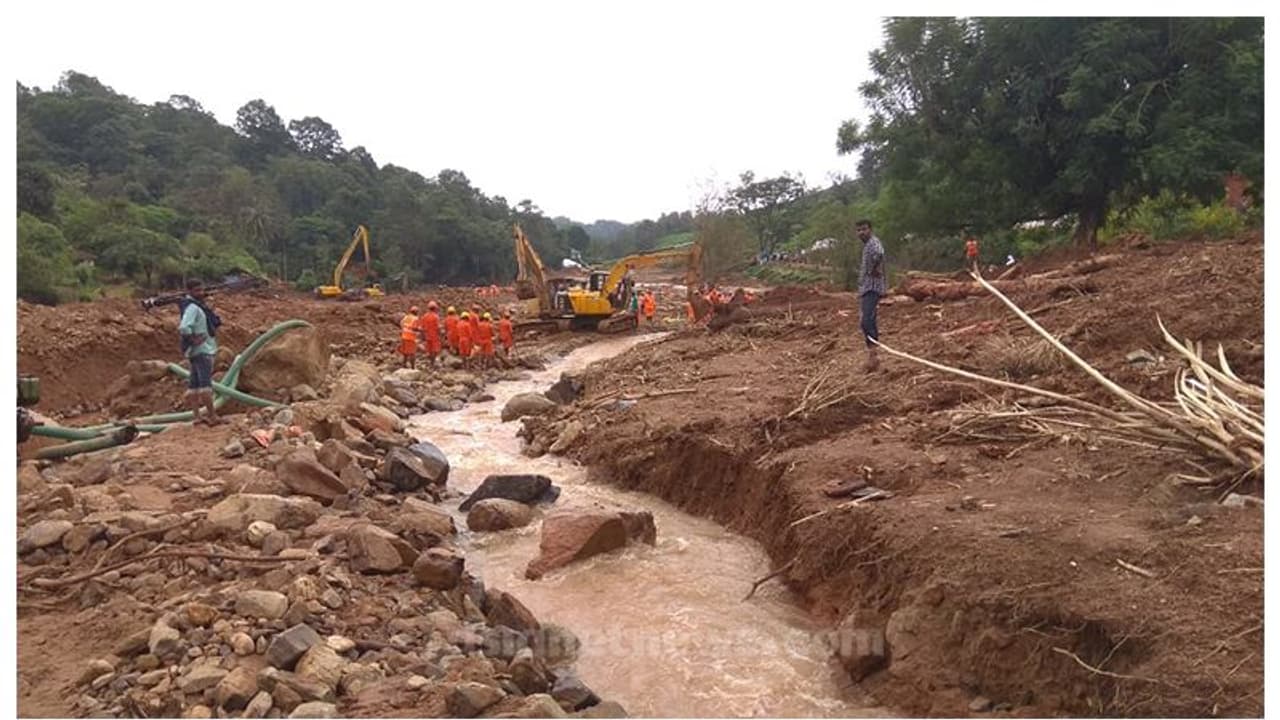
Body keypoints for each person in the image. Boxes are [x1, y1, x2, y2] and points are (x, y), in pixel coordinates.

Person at [178, 279, 224, 425]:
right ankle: (212, 416)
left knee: (194, 386)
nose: (201, 293)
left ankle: (197, 417)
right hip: (203, 350)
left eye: (201, 290)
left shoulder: (196, 306)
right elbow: (184, 327)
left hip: (195, 352)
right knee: (205, 385)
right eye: (197, 290)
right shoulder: (193, 307)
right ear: (189, 291)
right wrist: (193, 339)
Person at [855, 219, 886, 372]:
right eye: (859, 230)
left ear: (870, 230)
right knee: (866, 320)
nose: (862, 232)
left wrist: (875, 268)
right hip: (866, 287)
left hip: (872, 288)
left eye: (864, 229)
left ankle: (874, 355)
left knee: (866, 320)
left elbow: (879, 254)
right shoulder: (867, 245)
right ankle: (873, 355)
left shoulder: (873, 243)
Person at [420, 301, 441, 366]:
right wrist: (441, 334)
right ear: (435, 308)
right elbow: (438, 327)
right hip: (434, 336)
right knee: (435, 350)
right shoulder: (436, 316)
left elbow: (422, 328)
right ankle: (433, 362)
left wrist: (422, 336)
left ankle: (431, 362)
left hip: (427, 336)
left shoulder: (424, 316)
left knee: (429, 350)